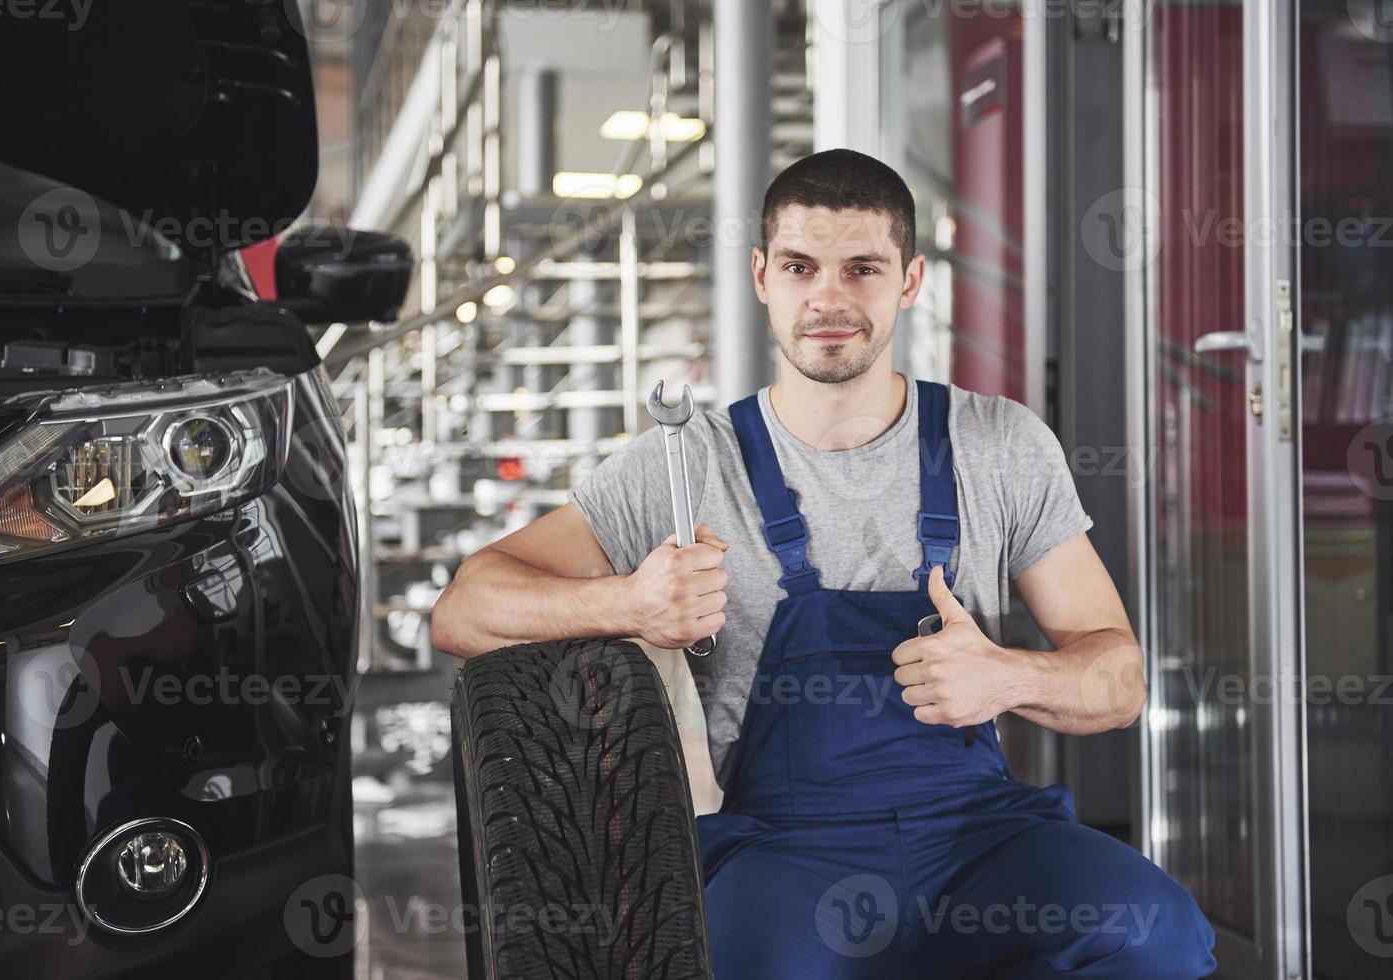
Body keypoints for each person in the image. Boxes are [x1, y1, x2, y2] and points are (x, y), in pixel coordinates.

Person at [431, 148, 1216, 978]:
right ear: (764, 275)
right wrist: (629, 602)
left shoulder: (998, 443)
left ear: (909, 281)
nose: (830, 298)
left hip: (980, 837)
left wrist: (1006, 678)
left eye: (863, 268)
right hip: (788, 851)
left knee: (1151, 931)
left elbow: (1119, 677)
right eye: (802, 267)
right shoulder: (690, 463)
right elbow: (464, 608)